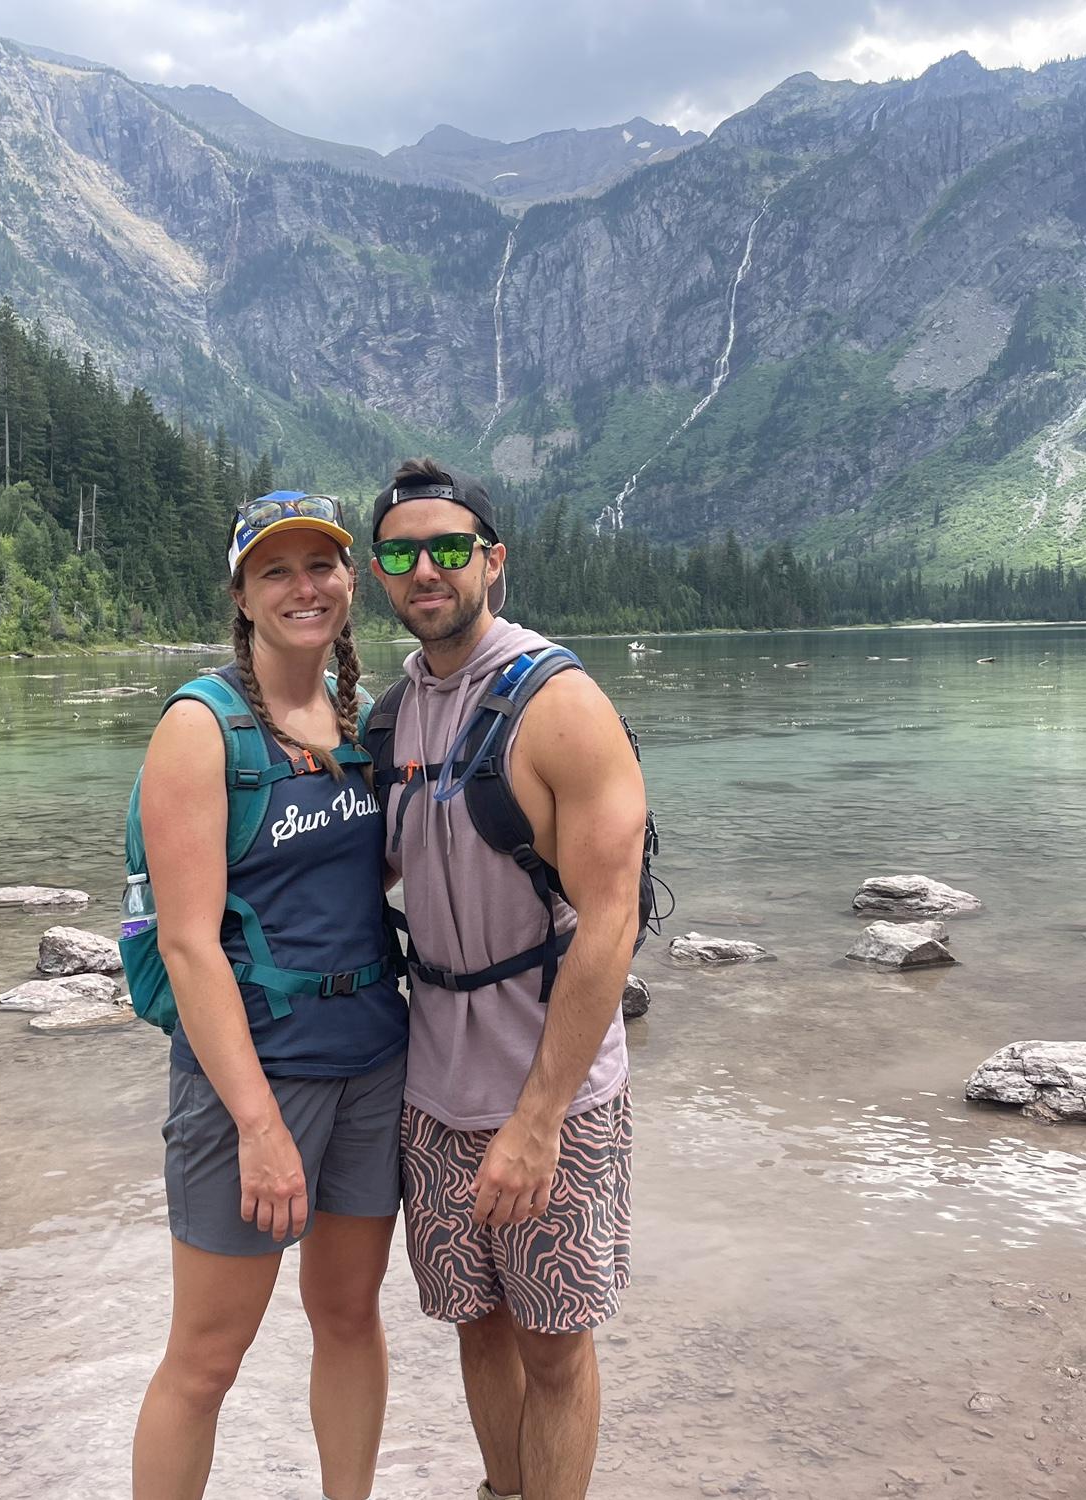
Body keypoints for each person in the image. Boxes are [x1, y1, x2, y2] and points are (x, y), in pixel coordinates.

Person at [367, 458, 647, 1500]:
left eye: (448, 548)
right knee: (478, 1328)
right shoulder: (393, 718)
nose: (425, 568)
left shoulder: (559, 705)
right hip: (434, 1093)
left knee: (555, 1349)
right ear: (382, 576)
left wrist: (539, 1120)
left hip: (553, 1098)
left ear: (493, 560)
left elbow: (611, 920)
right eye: (401, 553)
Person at [131, 492, 407, 1500]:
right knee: (206, 1358)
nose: (306, 587)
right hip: (253, 1078)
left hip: (374, 1060)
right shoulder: (202, 728)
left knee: (348, 1316)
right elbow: (189, 945)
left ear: (347, 583)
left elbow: (357, 879)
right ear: (243, 597)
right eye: (277, 571)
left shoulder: (358, 724)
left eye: (322, 566)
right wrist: (257, 1124)